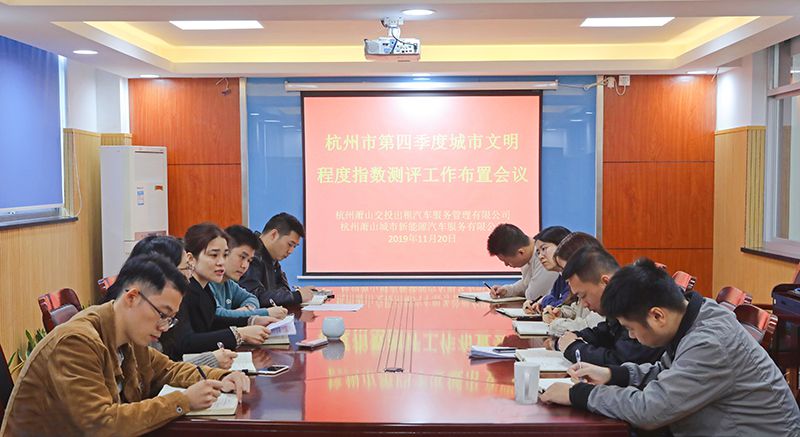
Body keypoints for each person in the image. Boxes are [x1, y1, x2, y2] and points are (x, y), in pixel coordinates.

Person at [541, 258, 800, 436]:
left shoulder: (711, 342)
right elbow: (667, 374)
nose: (631, 336)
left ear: (657, 315)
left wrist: (579, 394)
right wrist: (612, 374)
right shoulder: (696, 316)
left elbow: (650, 410)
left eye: (631, 328)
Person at [0, 254, 250, 436]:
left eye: (170, 319)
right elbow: (102, 424)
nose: (164, 326)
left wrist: (222, 377)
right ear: (132, 298)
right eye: (162, 314)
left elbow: (168, 370)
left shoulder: (130, 336)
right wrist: (183, 400)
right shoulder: (77, 342)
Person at [102, 235, 237, 369]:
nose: (188, 278)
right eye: (184, 270)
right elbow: (159, 371)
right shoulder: (98, 340)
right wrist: (213, 358)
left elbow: (160, 371)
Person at [161, 223, 276, 361]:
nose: (221, 262)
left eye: (225, 255)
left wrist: (251, 320)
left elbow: (212, 321)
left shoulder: (204, 287)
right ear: (191, 259)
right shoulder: (181, 290)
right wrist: (239, 334)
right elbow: (185, 342)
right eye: (214, 255)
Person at [553, 246, 663, 365]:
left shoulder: (640, 298)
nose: (584, 304)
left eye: (583, 295)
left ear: (605, 283)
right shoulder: (621, 301)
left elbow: (623, 361)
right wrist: (572, 337)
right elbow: (605, 333)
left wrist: (574, 348)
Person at [210, 225, 289, 320]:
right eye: (242, 257)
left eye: (249, 260)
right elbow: (218, 315)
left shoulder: (229, 283)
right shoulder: (207, 283)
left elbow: (252, 298)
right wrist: (266, 313)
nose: (244, 266)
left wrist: (246, 311)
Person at [239, 212, 315, 307]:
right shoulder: (252, 256)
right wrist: (297, 296)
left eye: (294, 247)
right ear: (274, 235)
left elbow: (283, 290)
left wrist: (297, 294)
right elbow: (254, 297)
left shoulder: (271, 258)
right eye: (290, 244)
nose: (291, 251)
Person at [543, 232, 605, 337]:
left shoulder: (600, 288)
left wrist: (555, 323)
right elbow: (578, 310)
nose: (565, 277)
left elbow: (586, 328)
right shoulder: (584, 284)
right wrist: (561, 313)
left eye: (566, 270)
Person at [485, 223, 559, 306]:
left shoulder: (545, 257)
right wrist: (507, 290)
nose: (506, 265)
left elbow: (534, 296)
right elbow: (526, 283)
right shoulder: (528, 254)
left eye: (507, 261)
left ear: (521, 252)